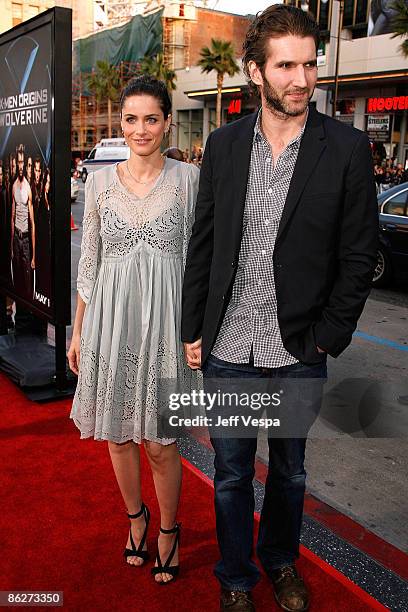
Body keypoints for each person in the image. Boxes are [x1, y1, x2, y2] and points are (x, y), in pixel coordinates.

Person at [182, 5, 378, 612]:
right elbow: (205, 243)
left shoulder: (345, 148)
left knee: (290, 475)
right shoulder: (223, 144)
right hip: (230, 347)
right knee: (233, 475)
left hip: (299, 350)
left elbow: (357, 256)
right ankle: (236, 576)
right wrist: (193, 329)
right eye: (285, 64)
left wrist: (326, 338)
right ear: (255, 70)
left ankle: (281, 562)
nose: (301, 78)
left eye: (309, 63)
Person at [68, 76, 199, 585]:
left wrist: (195, 331)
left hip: (166, 325)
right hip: (110, 321)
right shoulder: (99, 183)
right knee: (119, 437)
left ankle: (169, 529)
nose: (140, 128)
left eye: (151, 118)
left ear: (167, 121)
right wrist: (78, 333)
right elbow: (91, 264)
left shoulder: (188, 181)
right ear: (120, 124)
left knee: (161, 442)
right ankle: (135, 518)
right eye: (130, 119)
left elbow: (195, 264)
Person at [11, 145, 35, 301]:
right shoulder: (13, 186)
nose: (20, 166)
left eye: (22, 162)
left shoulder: (28, 188)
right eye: (18, 162)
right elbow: (11, 218)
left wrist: (34, 256)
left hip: (25, 238)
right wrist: (10, 247)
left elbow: (33, 224)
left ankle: (28, 307)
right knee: (18, 276)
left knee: (27, 278)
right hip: (16, 237)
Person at [34, 167, 51, 303]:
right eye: (47, 182)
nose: (48, 186)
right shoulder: (40, 204)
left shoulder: (51, 202)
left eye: (50, 183)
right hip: (42, 252)